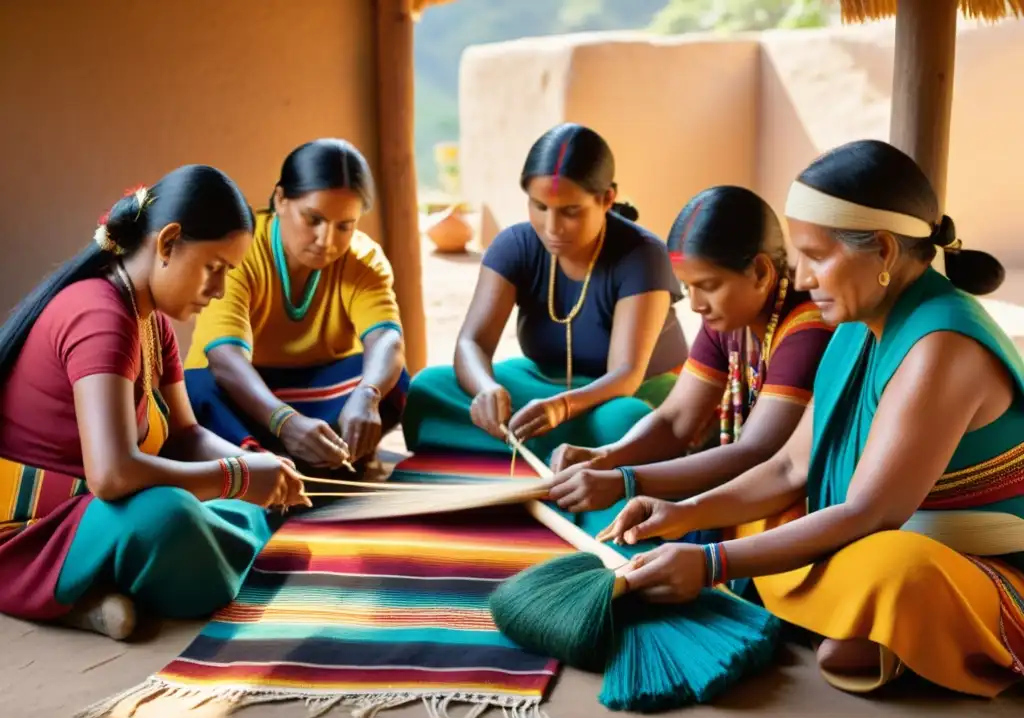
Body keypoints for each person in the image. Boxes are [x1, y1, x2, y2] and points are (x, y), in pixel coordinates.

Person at [600, 138, 1024, 698]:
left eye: (816, 256)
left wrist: (709, 563)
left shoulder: (941, 345)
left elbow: (870, 512)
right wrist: (684, 512)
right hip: (865, 535)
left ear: (884, 251)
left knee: (898, 571)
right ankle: (859, 626)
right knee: (760, 519)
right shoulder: (855, 325)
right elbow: (788, 469)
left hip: (973, 564)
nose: (799, 279)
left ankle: (881, 625)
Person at [0, 166, 309, 641]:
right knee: (170, 516)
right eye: (214, 267)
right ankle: (61, 593)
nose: (220, 289)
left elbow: (186, 435)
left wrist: (255, 462)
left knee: (238, 505)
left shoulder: (150, 320)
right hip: (35, 531)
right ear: (167, 243)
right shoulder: (99, 316)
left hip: (98, 511)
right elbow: (112, 475)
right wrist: (239, 477)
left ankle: (94, 597)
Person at [402, 123, 689, 472]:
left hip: (627, 393)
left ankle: (528, 452)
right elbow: (472, 342)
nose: (552, 227)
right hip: (541, 383)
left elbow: (626, 374)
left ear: (607, 199)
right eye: (539, 206)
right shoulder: (515, 245)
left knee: (626, 423)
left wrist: (561, 409)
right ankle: (555, 454)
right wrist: (486, 389)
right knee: (427, 389)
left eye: (570, 211)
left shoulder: (643, 256)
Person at [546, 186, 833, 527]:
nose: (695, 303)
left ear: (760, 272)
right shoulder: (727, 321)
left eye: (708, 286)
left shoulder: (807, 331)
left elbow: (755, 453)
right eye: (687, 288)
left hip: (793, 501)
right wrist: (605, 457)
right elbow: (675, 420)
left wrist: (626, 478)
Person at [184, 139, 408, 477]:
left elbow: (386, 338)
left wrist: (368, 393)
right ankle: (270, 463)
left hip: (317, 391)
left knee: (393, 378)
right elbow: (225, 355)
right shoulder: (239, 250)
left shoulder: (364, 258)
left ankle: (313, 458)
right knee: (196, 389)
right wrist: (284, 421)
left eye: (344, 226)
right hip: (248, 392)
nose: (326, 240)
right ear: (280, 200)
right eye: (313, 219)